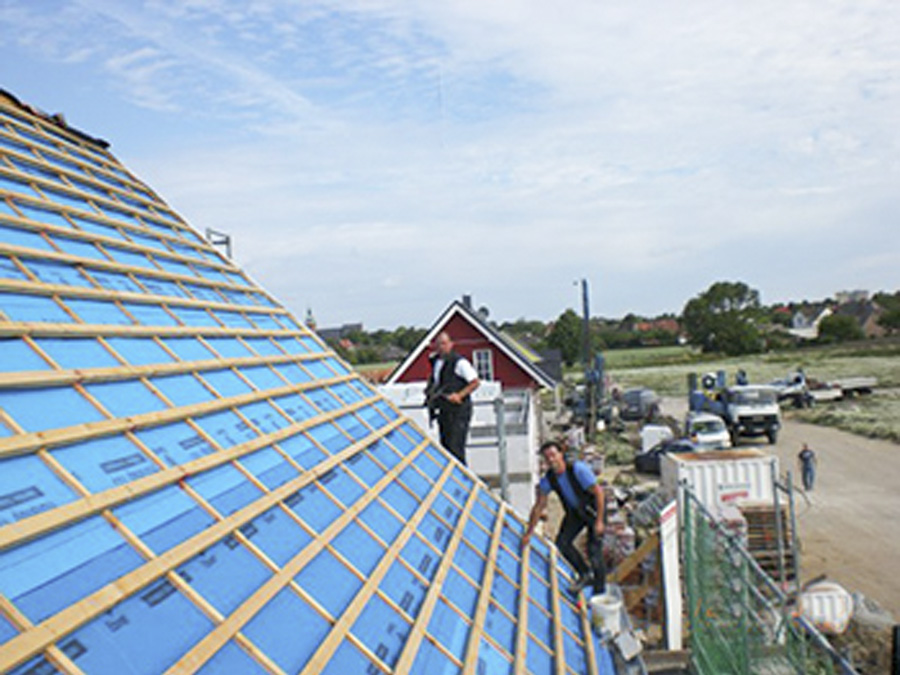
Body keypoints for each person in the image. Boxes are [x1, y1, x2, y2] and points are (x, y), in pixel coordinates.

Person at [522, 441, 606, 596]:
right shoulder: (549, 479)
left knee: (594, 552)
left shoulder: (577, 469)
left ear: (561, 454)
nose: (551, 460)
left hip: (593, 510)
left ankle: (600, 592)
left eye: (553, 455)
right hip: (575, 513)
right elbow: (539, 506)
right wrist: (529, 532)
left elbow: (599, 493)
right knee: (562, 543)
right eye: (547, 458)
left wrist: (600, 521)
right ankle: (585, 573)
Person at [425, 332, 480, 465]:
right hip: (444, 410)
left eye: (443, 344)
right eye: (438, 344)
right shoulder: (435, 362)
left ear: (451, 344)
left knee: (456, 449)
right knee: (446, 448)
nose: (440, 347)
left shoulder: (460, 362)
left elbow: (475, 382)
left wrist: (459, 395)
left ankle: (462, 482)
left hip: (459, 411)